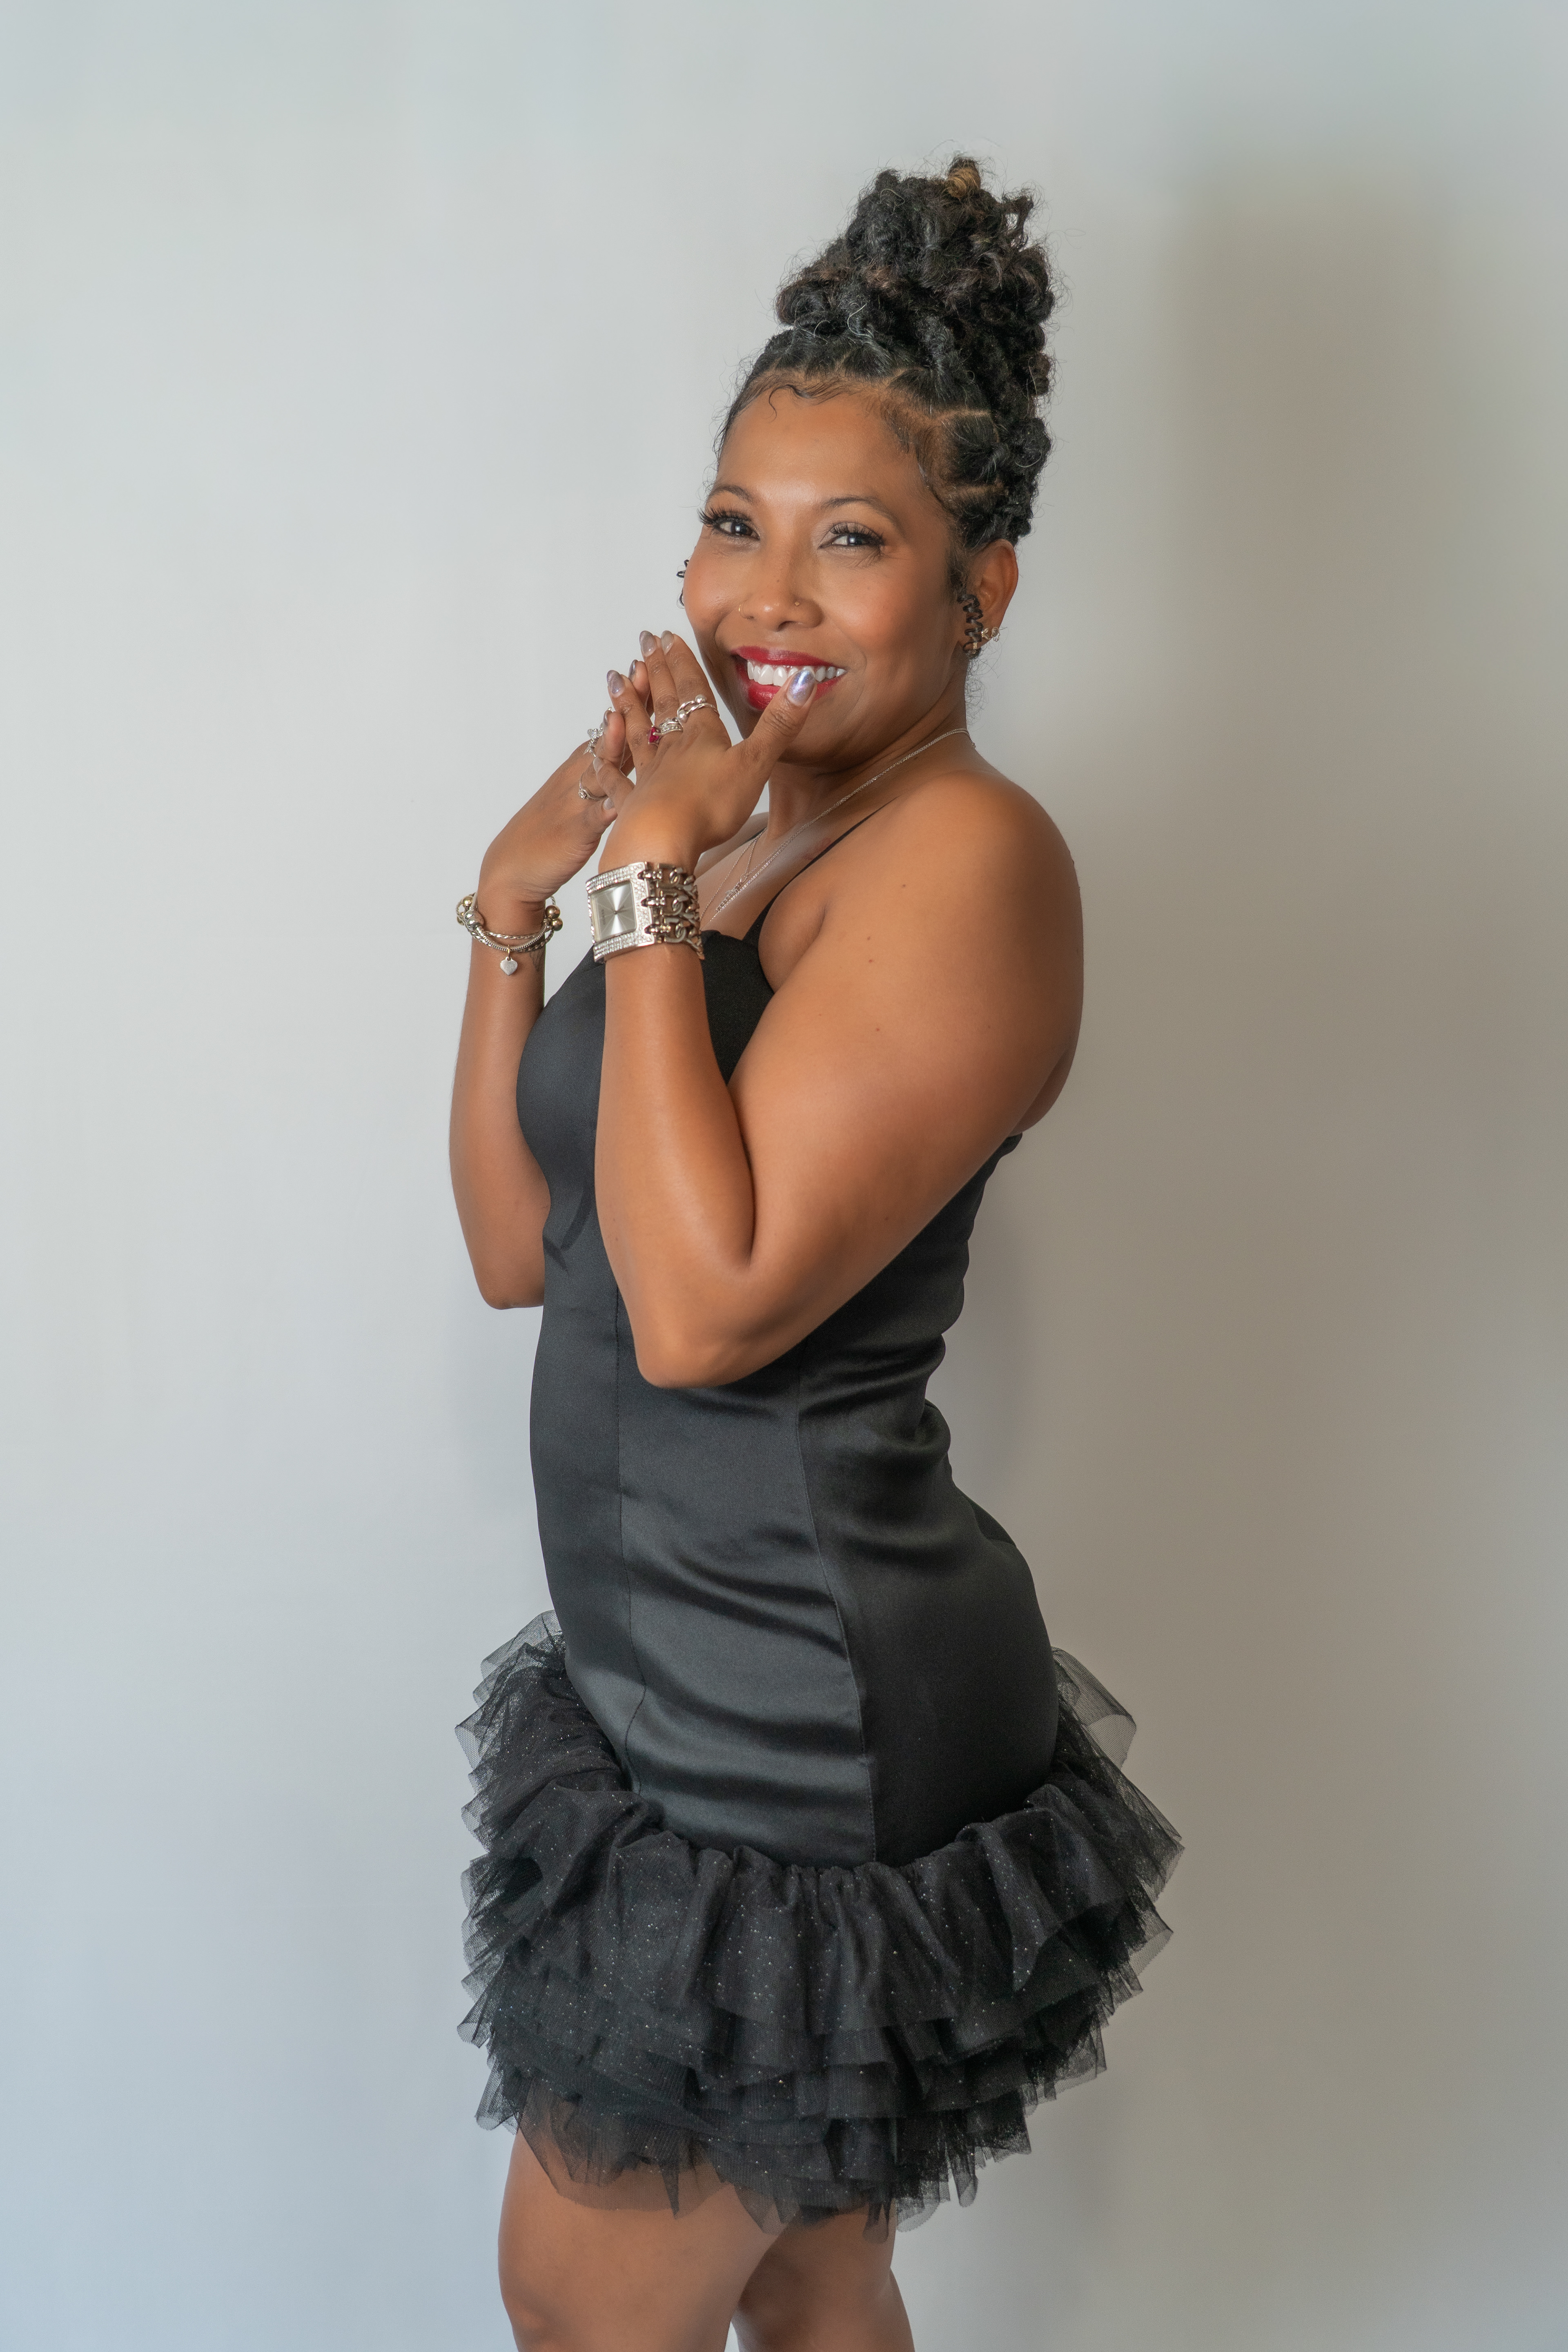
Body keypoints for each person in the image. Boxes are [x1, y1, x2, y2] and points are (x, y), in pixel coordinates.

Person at [448, 156, 1179, 2352]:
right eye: (734, 521)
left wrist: (657, 880)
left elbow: (696, 1309)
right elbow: (522, 1252)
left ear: (987, 586)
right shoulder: (775, 823)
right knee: (811, 2266)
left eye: (848, 537)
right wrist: (519, 907)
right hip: (684, 1655)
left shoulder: (969, 863)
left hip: (799, 1717)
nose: (764, 591)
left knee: (586, 2307)